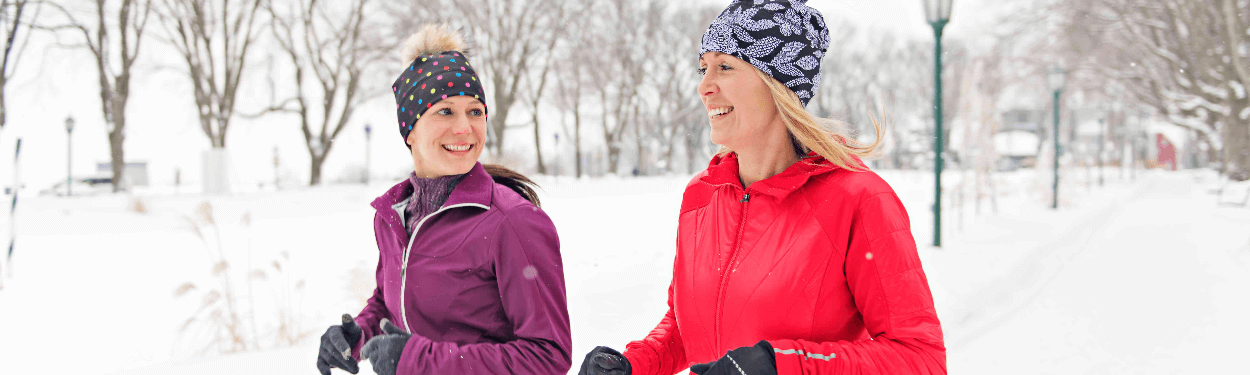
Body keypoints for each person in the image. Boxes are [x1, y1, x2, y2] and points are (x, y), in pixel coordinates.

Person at [578, 1, 945, 374]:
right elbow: (687, 326)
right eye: (703, 68)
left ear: (777, 84)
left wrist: (780, 365)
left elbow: (920, 358)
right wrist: (633, 364)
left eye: (725, 67)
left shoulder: (858, 198)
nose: (704, 86)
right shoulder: (702, 195)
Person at [315, 24, 572, 375]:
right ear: (410, 131)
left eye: (475, 111)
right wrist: (359, 334)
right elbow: (394, 302)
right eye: (445, 111)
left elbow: (548, 355)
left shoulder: (512, 222)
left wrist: (419, 361)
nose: (465, 127)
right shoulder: (393, 217)